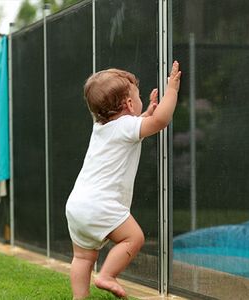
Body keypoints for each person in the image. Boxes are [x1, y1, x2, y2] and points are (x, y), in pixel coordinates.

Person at [65, 61, 181, 299]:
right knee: (134, 237)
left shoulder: (100, 127)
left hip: (77, 205)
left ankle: (79, 297)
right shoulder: (127, 127)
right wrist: (172, 90)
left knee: (83, 257)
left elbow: (133, 126)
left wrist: (145, 112)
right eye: (137, 96)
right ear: (129, 104)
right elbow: (160, 121)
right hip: (100, 204)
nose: (139, 99)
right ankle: (107, 275)